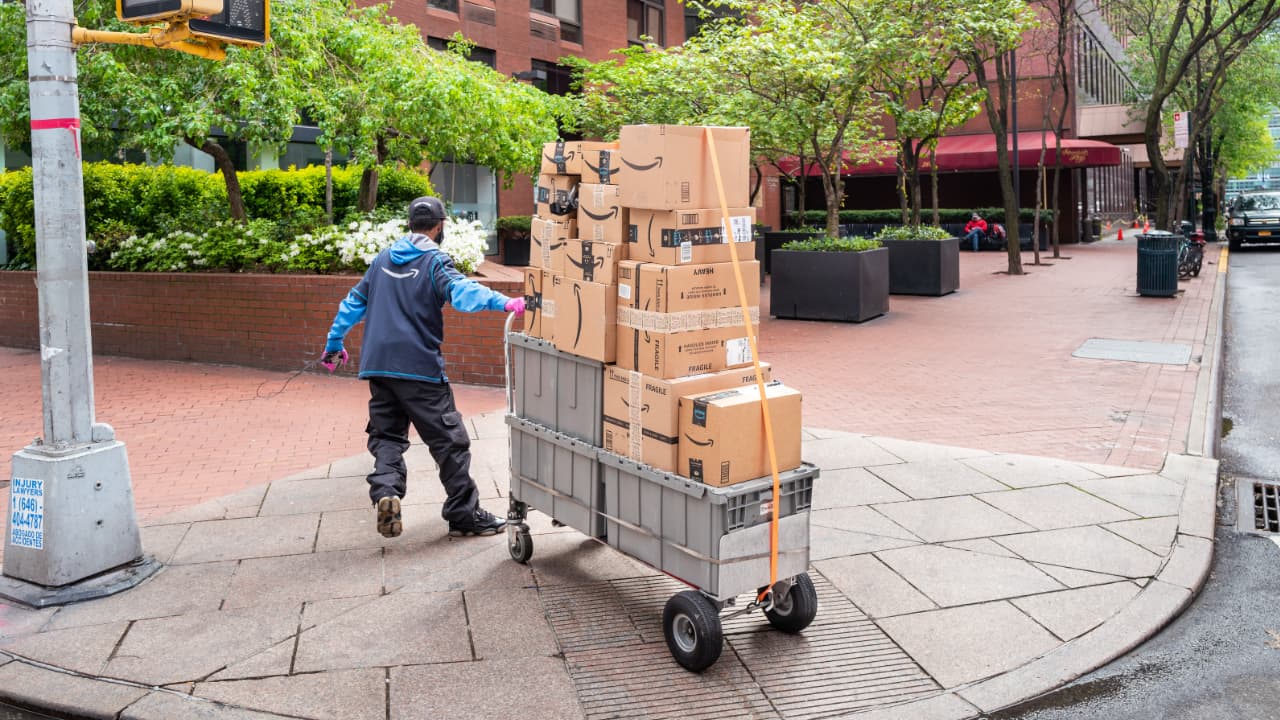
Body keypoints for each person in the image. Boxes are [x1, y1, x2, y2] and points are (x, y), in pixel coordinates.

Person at [321, 196, 525, 539]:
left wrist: (333, 344)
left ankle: (386, 492)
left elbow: (352, 303)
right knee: (449, 441)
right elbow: (462, 292)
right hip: (419, 369)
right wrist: (504, 302)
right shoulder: (435, 261)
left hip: (379, 367)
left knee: (387, 436)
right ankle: (464, 514)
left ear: (410, 224)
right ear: (440, 226)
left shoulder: (382, 259)